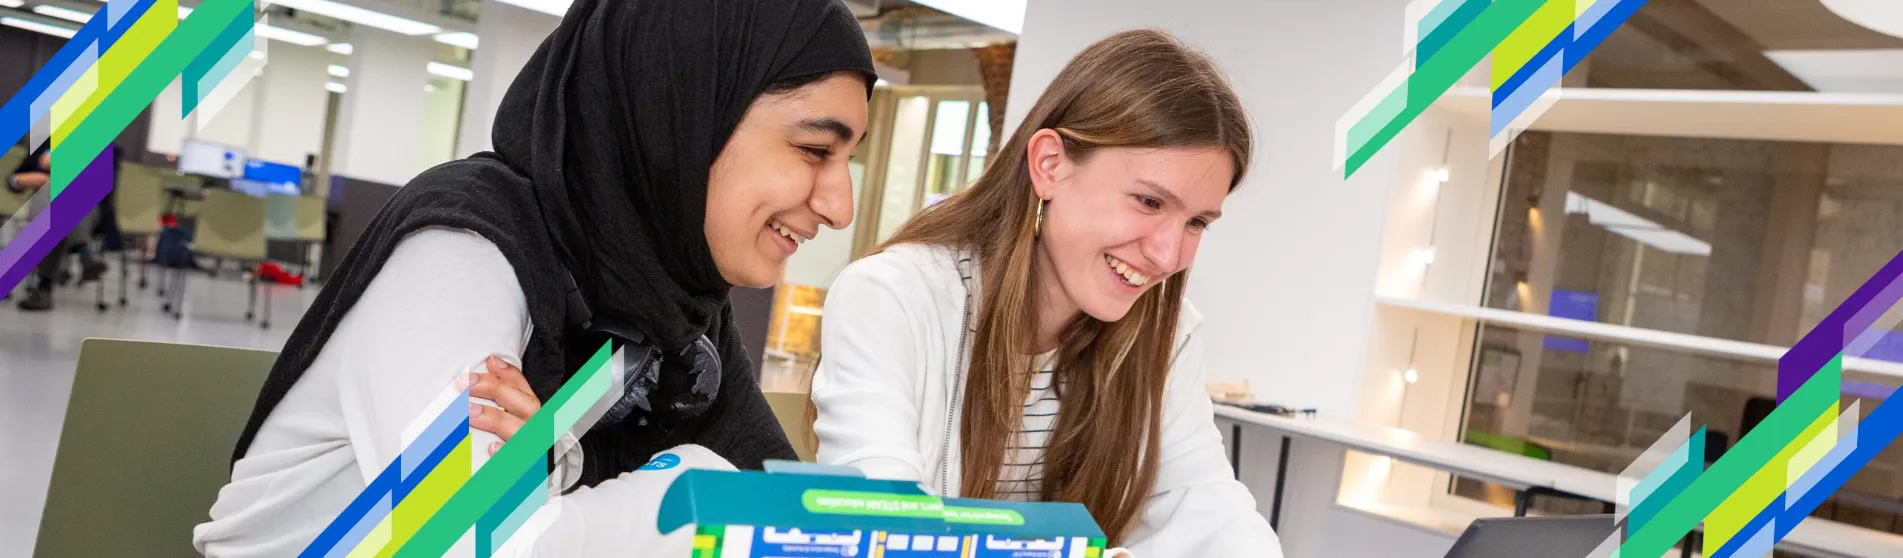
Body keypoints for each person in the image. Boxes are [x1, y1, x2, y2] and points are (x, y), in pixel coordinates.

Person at [194, 0, 873, 554]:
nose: (839, 205)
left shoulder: (674, 311)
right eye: (814, 149)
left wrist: (561, 484)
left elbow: (793, 525)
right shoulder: (463, 248)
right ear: (683, 110)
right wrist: (689, 492)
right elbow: (468, 541)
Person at [809, 29, 1282, 555]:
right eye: (1149, 202)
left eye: (1196, 222)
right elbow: (884, 524)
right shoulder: (891, 297)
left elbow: (1207, 504)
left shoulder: (1164, 336)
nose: (1168, 255)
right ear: (1050, 165)